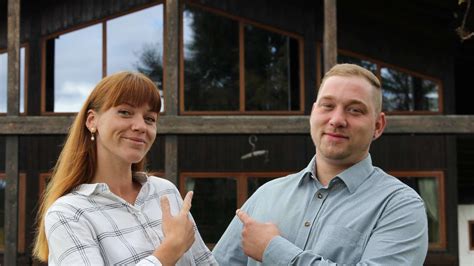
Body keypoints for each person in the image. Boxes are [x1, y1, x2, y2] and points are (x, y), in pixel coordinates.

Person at [213, 63, 428, 265]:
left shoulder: (400, 206)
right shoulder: (266, 195)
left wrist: (272, 249)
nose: (336, 120)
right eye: (327, 105)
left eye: (355, 110)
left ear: (378, 126)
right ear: (313, 112)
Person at [33, 71, 217, 265]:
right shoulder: (68, 213)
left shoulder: (165, 192)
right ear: (92, 121)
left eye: (149, 119)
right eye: (125, 112)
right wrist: (170, 251)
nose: (140, 126)